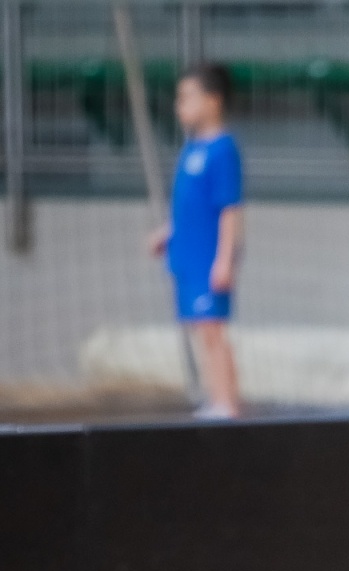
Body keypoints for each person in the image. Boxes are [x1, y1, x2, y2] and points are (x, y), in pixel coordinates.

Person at [148, 62, 244, 419]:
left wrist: (225, 258)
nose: (180, 105)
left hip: (208, 256)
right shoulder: (192, 149)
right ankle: (215, 397)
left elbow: (230, 209)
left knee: (213, 331)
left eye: (187, 96)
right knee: (200, 330)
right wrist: (169, 232)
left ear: (213, 101)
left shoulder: (223, 150)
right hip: (186, 254)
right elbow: (189, 205)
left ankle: (227, 402)